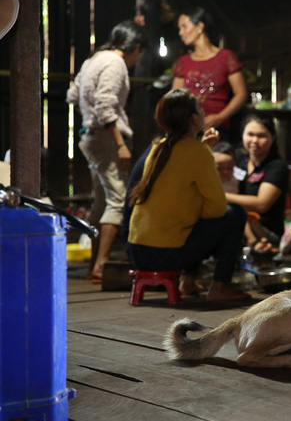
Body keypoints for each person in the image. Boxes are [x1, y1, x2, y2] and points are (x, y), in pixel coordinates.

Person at [126, 89, 248, 300]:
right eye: (200, 109)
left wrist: (202, 149)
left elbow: (181, 169)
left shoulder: (158, 148)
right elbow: (218, 209)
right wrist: (204, 152)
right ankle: (219, 286)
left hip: (137, 251)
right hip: (164, 255)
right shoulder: (197, 153)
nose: (204, 113)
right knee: (234, 213)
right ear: (193, 118)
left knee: (191, 221)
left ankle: (187, 281)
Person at [66, 20, 148, 282]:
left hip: (91, 137)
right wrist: (120, 144)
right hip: (105, 139)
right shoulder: (115, 63)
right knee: (118, 199)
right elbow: (105, 106)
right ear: (135, 47)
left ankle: (93, 266)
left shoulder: (94, 59)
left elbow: (72, 95)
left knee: (101, 201)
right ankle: (101, 265)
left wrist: (88, 118)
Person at [172, 6, 247, 144]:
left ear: (200, 26)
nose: (180, 32)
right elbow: (174, 96)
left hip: (218, 130)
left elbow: (241, 94)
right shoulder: (183, 62)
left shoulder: (226, 57)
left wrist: (220, 117)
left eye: (184, 27)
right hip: (188, 130)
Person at [225, 113, 288, 250]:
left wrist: (221, 196)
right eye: (250, 134)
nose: (254, 140)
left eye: (261, 136)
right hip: (237, 223)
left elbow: (262, 204)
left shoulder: (277, 166)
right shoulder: (237, 158)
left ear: (273, 137)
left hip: (265, 232)